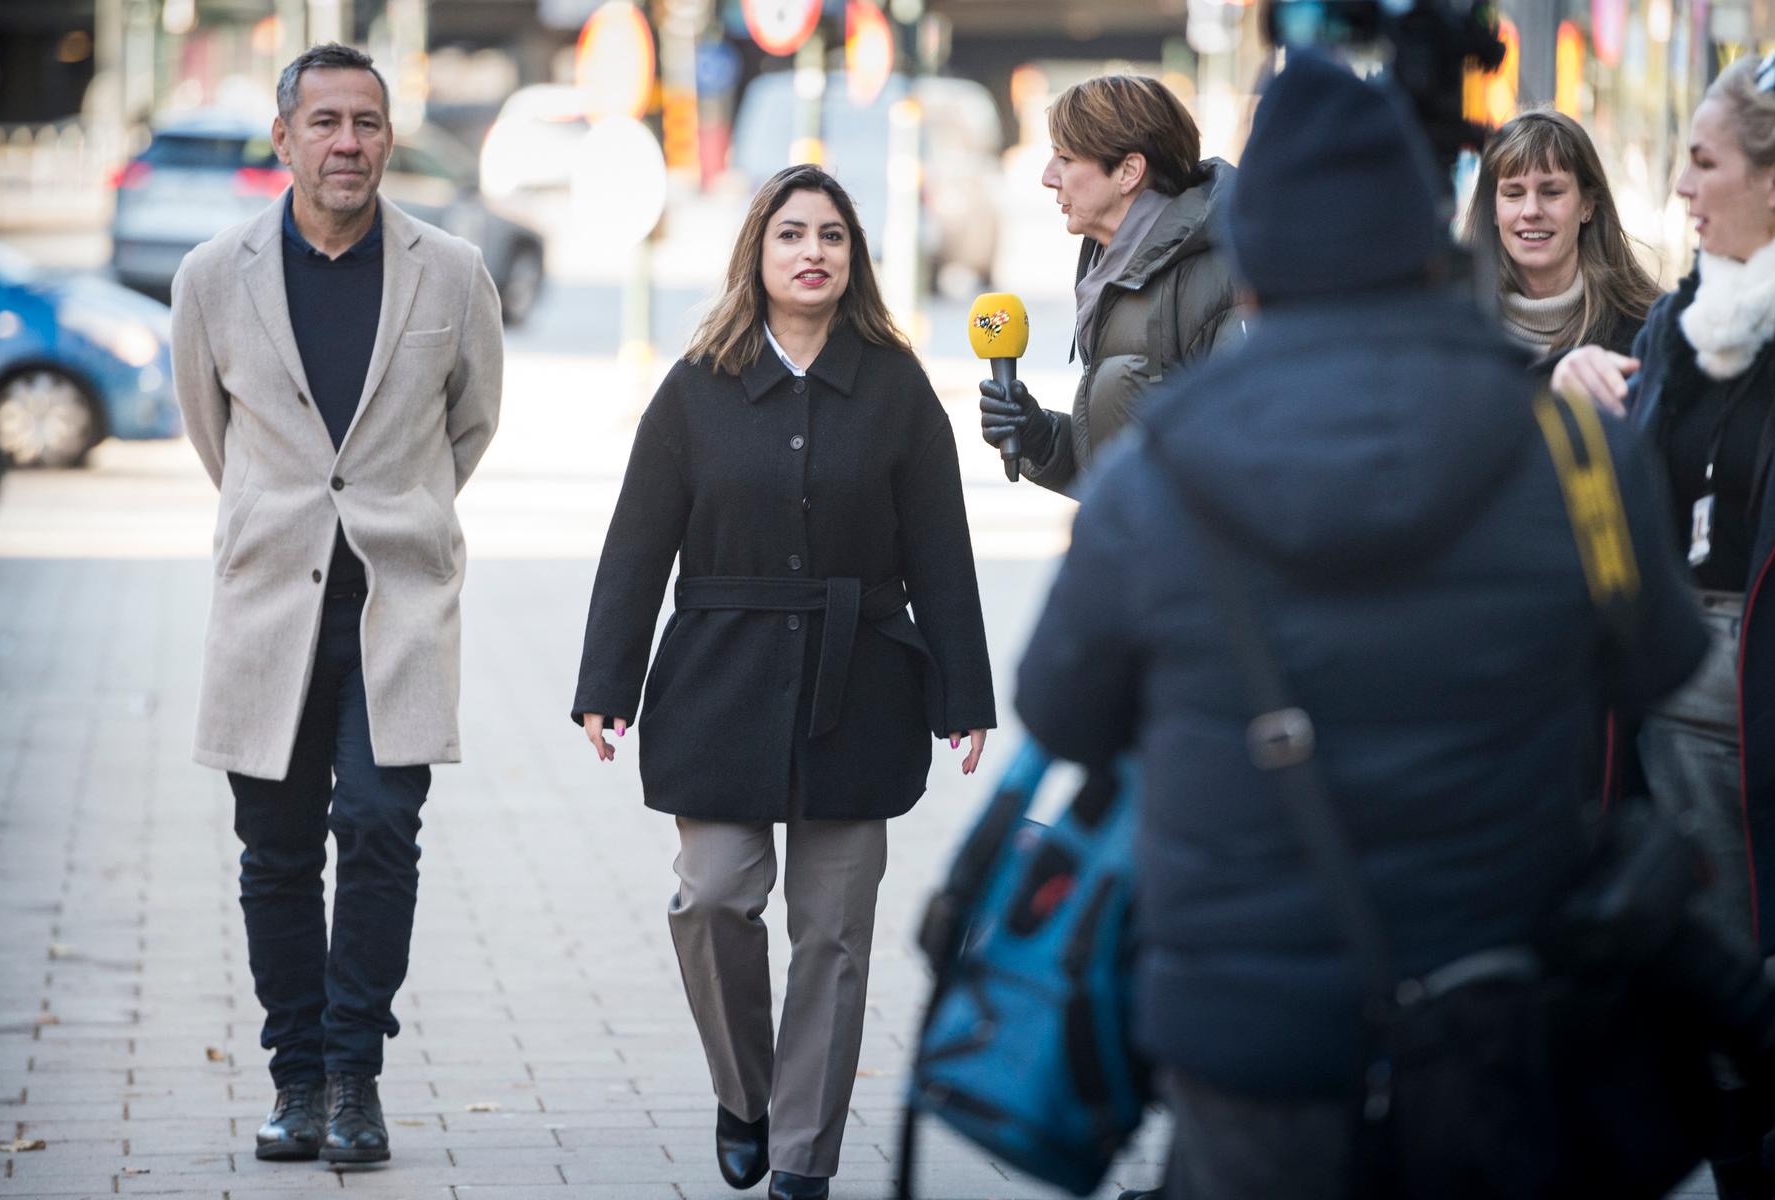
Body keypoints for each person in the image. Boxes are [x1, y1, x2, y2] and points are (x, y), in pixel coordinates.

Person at [1016, 51, 1707, 1197]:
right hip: (1500, 1008)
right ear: (1432, 235)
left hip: (1248, 1033)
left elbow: (1059, 709)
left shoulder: (1162, 465)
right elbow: (1663, 668)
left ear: (1254, 261)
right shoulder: (1577, 449)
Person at [571, 164, 995, 1200]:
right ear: (755, 253)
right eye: (793, 234)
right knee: (713, 898)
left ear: (856, 259)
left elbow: (942, 548)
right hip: (717, 676)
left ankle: (803, 1157)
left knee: (835, 931)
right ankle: (747, 1093)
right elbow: (637, 544)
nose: (814, 252)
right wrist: (605, 681)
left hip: (864, 686)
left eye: (833, 237)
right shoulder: (695, 386)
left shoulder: (896, 388)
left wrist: (963, 697)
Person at [1553, 49, 1775, 1199]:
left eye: (1703, 162)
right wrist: (1584, 409)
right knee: (1721, 1014)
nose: (1683, 187)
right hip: (1673, 713)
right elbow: (1636, 510)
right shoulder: (1686, 315)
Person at [169, 43, 503, 1165]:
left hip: (395, 605)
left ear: (389, 138)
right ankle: (296, 1079)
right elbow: (218, 437)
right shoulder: (213, 275)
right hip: (269, 607)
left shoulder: (450, 271)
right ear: (284, 138)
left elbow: (471, 422)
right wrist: (287, 520)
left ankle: (356, 1072)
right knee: (272, 851)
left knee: (375, 827)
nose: (346, 141)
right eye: (324, 122)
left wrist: (392, 510)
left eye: (365, 121)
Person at [978, 74, 1240, 495]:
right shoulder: (1115, 272)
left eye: (1065, 158)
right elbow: (1118, 462)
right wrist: (1040, 438)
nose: (1048, 177)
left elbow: (1246, 460)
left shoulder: (1222, 275)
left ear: (1129, 171)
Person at [1462, 108, 1663, 366]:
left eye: (1552, 192)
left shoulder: (1647, 334)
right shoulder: (1453, 331)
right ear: (1492, 208)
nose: (1531, 211)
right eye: (1513, 194)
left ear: (1587, 205)